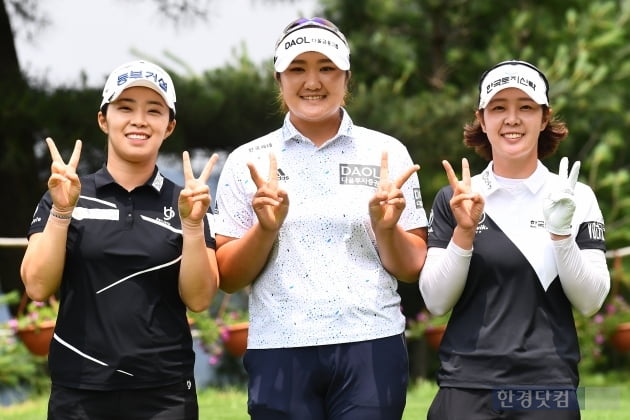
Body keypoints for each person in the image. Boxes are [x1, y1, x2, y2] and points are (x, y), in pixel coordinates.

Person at [213, 17, 428, 419]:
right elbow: (227, 277)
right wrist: (265, 228)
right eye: (298, 68)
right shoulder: (248, 160)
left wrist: (386, 228)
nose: (312, 81)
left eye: (326, 67)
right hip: (280, 346)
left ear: (347, 78)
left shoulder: (386, 153)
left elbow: (413, 265)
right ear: (279, 79)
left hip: (370, 344)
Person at [20, 60, 220, 420]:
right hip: (79, 391)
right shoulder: (66, 194)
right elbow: (36, 285)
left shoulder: (187, 203)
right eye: (125, 108)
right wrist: (63, 212)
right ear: (104, 119)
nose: (139, 120)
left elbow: (201, 297)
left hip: (166, 394)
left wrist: (192, 226)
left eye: (154, 110)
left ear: (168, 125)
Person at [419, 60, 610, 419]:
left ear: (544, 117)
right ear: (482, 118)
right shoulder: (457, 197)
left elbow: (591, 302)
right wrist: (464, 231)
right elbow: (435, 300)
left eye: (525, 107)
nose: (512, 119)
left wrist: (561, 234)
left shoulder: (575, 196)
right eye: (498, 108)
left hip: (547, 387)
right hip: (466, 383)